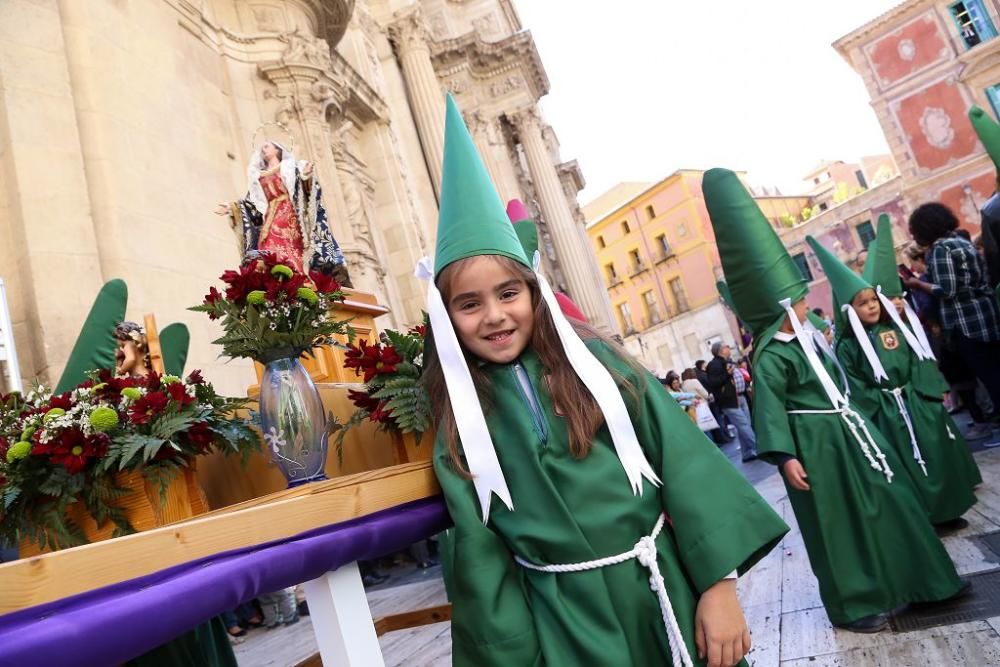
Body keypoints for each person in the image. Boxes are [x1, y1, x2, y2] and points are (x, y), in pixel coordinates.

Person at [424, 96, 787, 667]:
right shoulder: (460, 421)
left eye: (508, 293)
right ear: (445, 318)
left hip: (663, 586)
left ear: (535, 294)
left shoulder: (600, 367)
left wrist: (719, 586)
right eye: (469, 304)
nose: (493, 315)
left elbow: (684, 465)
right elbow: (480, 549)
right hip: (563, 625)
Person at [703, 168, 966, 634]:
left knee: (892, 499)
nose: (807, 302)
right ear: (783, 307)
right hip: (816, 448)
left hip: (851, 434)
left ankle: (925, 581)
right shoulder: (772, 356)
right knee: (839, 525)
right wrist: (785, 457)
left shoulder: (810, 340)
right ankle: (856, 602)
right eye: (800, 298)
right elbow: (769, 408)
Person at [808, 236, 979, 532]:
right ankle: (924, 518)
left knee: (935, 453)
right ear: (850, 310)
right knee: (905, 464)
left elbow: (916, 361)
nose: (872, 306)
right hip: (886, 412)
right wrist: (882, 403)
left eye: (874, 300)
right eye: (863, 304)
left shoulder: (894, 330)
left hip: (913, 401)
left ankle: (948, 509)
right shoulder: (847, 347)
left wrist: (922, 392)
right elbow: (853, 383)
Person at [904, 202, 1000, 418]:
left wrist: (917, 284)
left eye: (915, 231)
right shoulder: (960, 241)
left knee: (990, 376)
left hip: (966, 323)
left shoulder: (941, 249)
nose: (915, 237)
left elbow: (947, 290)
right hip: (986, 314)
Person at [215, 140, 350, 285]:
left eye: (267, 146)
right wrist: (232, 208)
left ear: (277, 150)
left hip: (289, 212)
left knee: (285, 244)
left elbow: (304, 190)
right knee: (266, 246)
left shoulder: (290, 167)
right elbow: (253, 203)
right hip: (270, 215)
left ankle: (295, 276)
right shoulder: (259, 176)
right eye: (262, 148)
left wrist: (306, 176)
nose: (263, 150)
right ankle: (275, 282)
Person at [706, 343, 757, 461]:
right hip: (729, 400)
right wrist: (727, 374)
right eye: (726, 346)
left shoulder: (727, 361)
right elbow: (714, 382)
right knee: (744, 425)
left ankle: (747, 453)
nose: (729, 347)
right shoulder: (714, 365)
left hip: (740, 396)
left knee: (744, 426)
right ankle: (759, 448)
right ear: (721, 350)